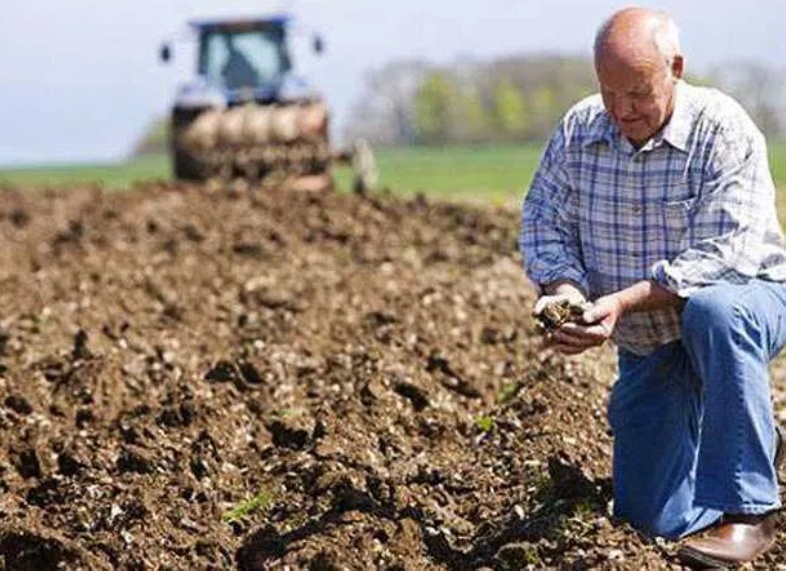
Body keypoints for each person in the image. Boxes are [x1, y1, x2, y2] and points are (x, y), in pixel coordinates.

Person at [520, 6, 786, 568]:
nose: (622, 110)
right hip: (650, 341)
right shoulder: (579, 130)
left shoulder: (722, 128)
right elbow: (544, 221)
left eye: (638, 93)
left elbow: (723, 257)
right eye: (609, 92)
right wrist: (565, 292)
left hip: (746, 300)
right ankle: (744, 438)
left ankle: (749, 510)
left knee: (715, 312)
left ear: (676, 68)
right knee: (650, 518)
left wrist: (620, 301)